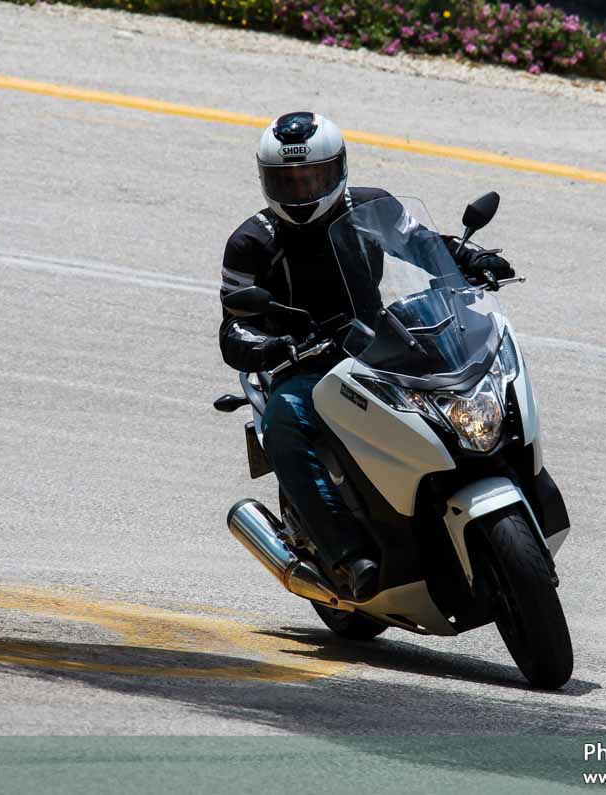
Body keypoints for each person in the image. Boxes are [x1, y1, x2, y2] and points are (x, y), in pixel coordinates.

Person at [219, 111, 513, 601]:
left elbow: (422, 245)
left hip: (378, 339)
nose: (301, 189)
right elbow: (233, 330)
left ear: (337, 169)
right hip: (307, 362)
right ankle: (348, 554)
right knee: (283, 421)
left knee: (465, 371)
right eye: (288, 180)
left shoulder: (371, 206)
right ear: (267, 180)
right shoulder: (251, 242)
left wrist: (469, 259)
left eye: (312, 176)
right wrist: (274, 346)